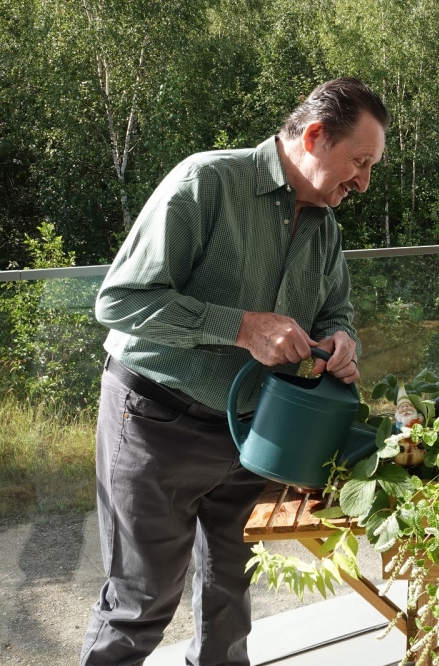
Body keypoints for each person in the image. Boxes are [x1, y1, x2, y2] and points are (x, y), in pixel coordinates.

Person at [81, 78, 387, 666]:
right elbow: (118, 301)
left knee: (230, 599)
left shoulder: (326, 229)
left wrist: (342, 339)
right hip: (154, 421)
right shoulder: (207, 182)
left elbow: (335, 309)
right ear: (316, 137)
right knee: (139, 605)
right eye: (359, 162)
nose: (364, 182)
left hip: (254, 436)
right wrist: (243, 327)